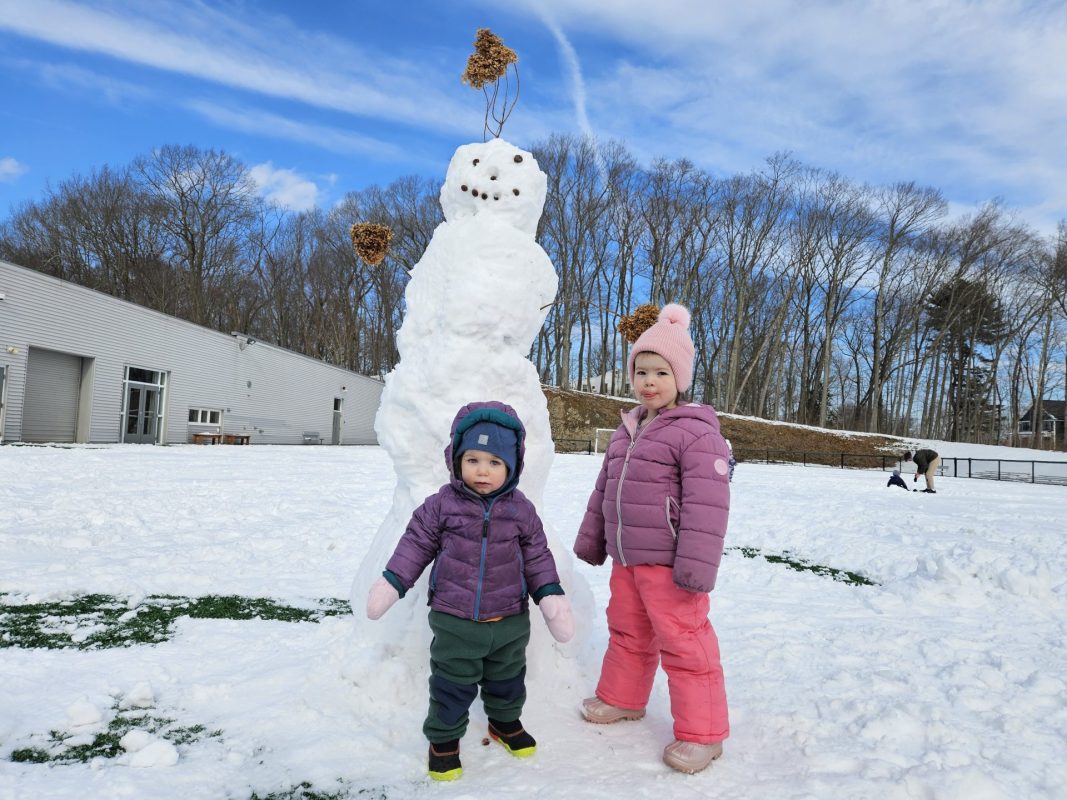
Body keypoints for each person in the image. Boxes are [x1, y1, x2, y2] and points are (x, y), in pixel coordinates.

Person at [365, 400, 574, 781]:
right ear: (456, 460)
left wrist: (550, 595)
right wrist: (392, 582)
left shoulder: (521, 510)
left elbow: (537, 556)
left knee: (508, 679)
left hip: (509, 619)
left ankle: (504, 722)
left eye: (494, 462)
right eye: (473, 459)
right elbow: (415, 545)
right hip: (455, 618)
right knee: (452, 684)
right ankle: (443, 739)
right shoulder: (441, 506)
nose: (482, 470)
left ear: (512, 466)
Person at [573, 303, 731, 775]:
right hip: (628, 558)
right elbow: (604, 488)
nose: (649, 381)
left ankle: (704, 733)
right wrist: (593, 538)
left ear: (679, 378)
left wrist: (695, 565)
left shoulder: (696, 433)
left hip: (669, 563)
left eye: (661, 372)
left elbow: (708, 506)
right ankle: (623, 697)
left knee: (684, 642)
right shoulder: (627, 430)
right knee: (628, 630)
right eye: (641, 371)